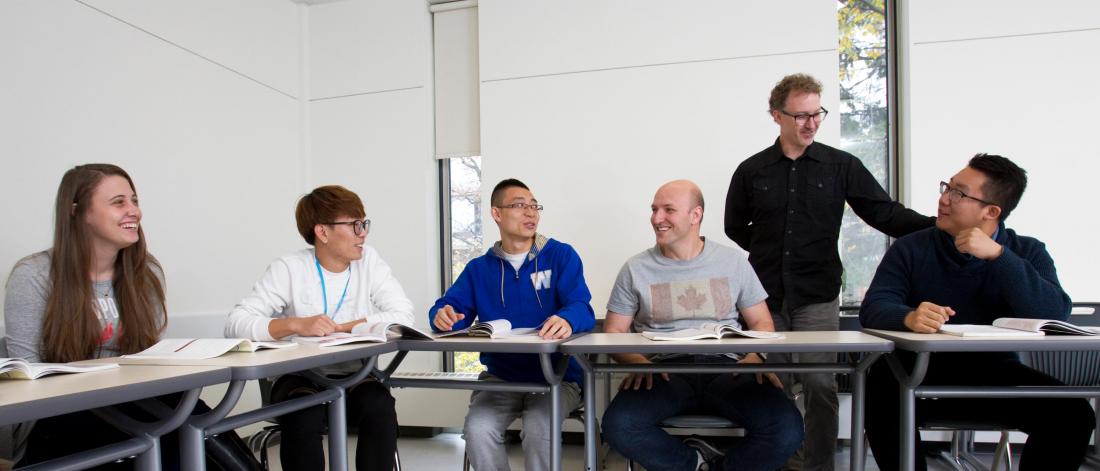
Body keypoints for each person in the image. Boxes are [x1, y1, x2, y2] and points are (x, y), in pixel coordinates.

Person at [724, 73, 935, 470]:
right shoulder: (752, 170)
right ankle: (779, 461)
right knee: (771, 384)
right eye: (800, 115)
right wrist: (771, 251)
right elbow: (734, 226)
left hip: (817, 294)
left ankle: (819, 466)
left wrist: (937, 227)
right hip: (764, 297)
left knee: (821, 384)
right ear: (777, 115)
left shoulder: (841, 166)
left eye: (817, 113)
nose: (811, 123)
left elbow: (883, 213)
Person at [3, 164, 251, 470]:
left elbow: (149, 358)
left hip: (131, 405)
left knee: (190, 415)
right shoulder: (34, 276)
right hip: (59, 416)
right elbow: (26, 379)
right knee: (168, 429)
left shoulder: (145, 272)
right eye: (118, 202)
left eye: (134, 201)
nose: (134, 211)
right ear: (78, 212)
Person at [859, 154, 1095, 470]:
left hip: (996, 375)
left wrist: (999, 256)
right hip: (919, 372)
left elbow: (1055, 313)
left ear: (991, 211)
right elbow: (875, 306)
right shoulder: (911, 248)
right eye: (947, 187)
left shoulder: (1027, 251)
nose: (944, 198)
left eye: (958, 193)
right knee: (882, 384)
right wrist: (908, 316)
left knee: (1074, 415)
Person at [602, 179, 804, 471]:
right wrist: (636, 361)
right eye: (654, 209)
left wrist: (755, 356)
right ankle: (694, 463)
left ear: (695, 215)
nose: (657, 218)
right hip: (663, 372)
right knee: (619, 425)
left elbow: (761, 322)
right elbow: (614, 331)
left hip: (729, 368)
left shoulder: (733, 262)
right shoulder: (635, 268)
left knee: (787, 429)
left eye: (668, 209)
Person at [225, 185, 413, 471]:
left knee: (380, 406)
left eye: (363, 224)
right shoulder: (289, 268)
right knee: (305, 413)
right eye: (354, 225)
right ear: (322, 232)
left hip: (355, 374)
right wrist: (295, 324)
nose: (362, 233)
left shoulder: (369, 262)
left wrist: (346, 327)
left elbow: (403, 315)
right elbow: (236, 324)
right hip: (298, 377)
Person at [429, 178, 595, 471]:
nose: (531, 212)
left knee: (539, 428)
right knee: (478, 429)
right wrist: (442, 314)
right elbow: (451, 308)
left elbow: (582, 306)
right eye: (520, 205)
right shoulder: (479, 269)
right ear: (496, 213)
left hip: (557, 377)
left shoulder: (560, 255)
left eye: (534, 206)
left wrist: (568, 318)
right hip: (501, 379)